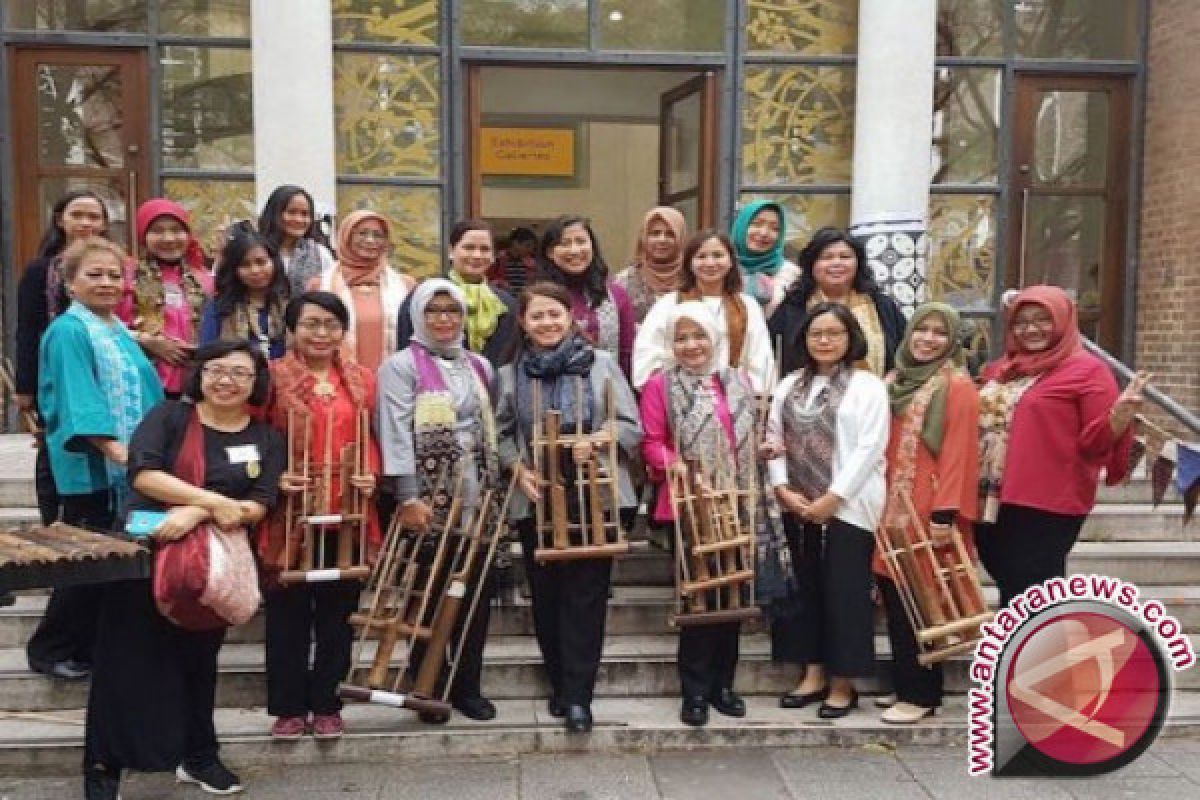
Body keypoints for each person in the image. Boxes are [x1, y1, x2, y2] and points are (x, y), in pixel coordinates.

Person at [82, 340, 285, 799]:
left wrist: (197, 514)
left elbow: (259, 504)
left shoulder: (266, 438)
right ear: (200, 374)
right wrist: (211, 502)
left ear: (256, 383)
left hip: (208, 568)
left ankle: (198, 756)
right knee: (124, 666)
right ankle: (103, 767)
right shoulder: (169, 418)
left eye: (239, 373)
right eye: (216, 370)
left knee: (198, 664)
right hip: (146, 543)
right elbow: (144, 476)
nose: (226, 381)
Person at [496, 281, 643, 734]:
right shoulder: (508, 375)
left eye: (554, 314)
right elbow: (499, 433)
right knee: (546, 597)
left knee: (585, 598)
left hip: (595, 494)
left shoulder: (600, 365)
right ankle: (560, 682)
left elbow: (630, 426)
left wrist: (598, 440)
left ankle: (580, 696)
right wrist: (518, 469)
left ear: (571, 317)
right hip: (540, 496)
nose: (547, 323)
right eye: (537, 316)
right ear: (523, 322)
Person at [28, 237, 164, 683]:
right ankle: (52, 647)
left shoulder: (117, 329)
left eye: (113, 275)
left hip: (130, 464)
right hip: (93, 466)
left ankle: (91, 645)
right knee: (88, 560)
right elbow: (76, 396)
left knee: (118, 559)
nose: (107, 283)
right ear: (69, 283)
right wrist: (115, 450)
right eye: (94, 274)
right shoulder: (70, 330)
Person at [376, 278, 500, 722]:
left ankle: (468, 685)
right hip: (428, 496)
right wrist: (408, 496)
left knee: (473, 593)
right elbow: (394, 431)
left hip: (478, 495)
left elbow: (493, 427)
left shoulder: (479, 365)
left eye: (452, 311)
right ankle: (427, 680)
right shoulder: (401, 366)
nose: (444, 320)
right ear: (417, 315)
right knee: (427, 590)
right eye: (434, 311)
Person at [975, 285, 1143, 608]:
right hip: (992, 496)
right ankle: (1018, 654)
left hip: (1047, 503)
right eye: (1022, 321)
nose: (1031, 328)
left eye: (1043, 319)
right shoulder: (1000, 369)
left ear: (1064, 320)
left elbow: (1095, 444)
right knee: (1012, 587)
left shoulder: (1088, 370)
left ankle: (1037, 656)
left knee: (1033, 592)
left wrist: (1119, 419)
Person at [260, 292, 381, 740]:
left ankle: (328, 702)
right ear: (292, 329)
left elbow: (369, 434)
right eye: (311, 323)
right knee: (287, 611)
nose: (321, 333)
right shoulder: (271, 378)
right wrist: (273, 479)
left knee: (338, 611)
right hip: (291, 509)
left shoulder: (361, 378)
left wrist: (370, 473)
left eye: (331, 324)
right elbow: (256, 434)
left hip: (345, 508)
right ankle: (288, 707)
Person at [765, 302, 888, 719]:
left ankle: (843, 683)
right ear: (804, 339)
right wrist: (781, 487)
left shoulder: (867, 386)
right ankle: (812, 674)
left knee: (846, 594)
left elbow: (871, 448)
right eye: (817, 333)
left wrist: (834, 497)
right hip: (798, 504)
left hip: (850, 506)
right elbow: (772, 436)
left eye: (834, 333)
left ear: (850, 337)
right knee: (805, 592)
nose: (825, 341)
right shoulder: (788, 385)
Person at [639, 302, 756, 727]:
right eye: (682, 338)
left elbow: (747, 433)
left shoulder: (737, 380)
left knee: (734, 592)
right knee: (700, 594)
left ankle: (724, 686)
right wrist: (683, 467)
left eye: (699, 335)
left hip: (738, 500)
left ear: (715, 337)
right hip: (692, 501)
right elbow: (651, 441)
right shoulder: (661, 385)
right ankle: (695, 692)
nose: (691, 345)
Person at [872, 302, 980, 724]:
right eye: (922, 329)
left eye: (939, 332)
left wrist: (945, 514)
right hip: (891, 506)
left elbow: (960, 455)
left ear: (951, 341)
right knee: (898, 599)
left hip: (928, 507)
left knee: (925, 600)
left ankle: (921, 694)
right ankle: (905, 684)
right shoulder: (896, 380)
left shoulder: (957, 386)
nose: (928, 339)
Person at [15, 189, 110, 536]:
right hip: (55, 371)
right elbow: (27, 328)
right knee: (54, 443)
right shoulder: (41, 270)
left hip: (103, 368)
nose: (86, 223)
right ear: (61, 220)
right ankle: (55, 517)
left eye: (94, 216)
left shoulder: (113, 266)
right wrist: (26, 386)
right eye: (78, 215)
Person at [633, 231, 775, 393]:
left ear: (730, 262)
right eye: (701, 256)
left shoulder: (747, 306)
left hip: (735, 399)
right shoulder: (669, 304)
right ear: (689, 263)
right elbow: (648, 353)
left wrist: (751, 393)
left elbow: (760, 357)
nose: (710, 262)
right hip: (681, 397)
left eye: (717, 255)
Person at [769, 227, 907, 378]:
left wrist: (890, 381)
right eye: (826, 257)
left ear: (858, 263)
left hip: (873, 396)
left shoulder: (881, 305)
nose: (836, 263)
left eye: (845, 256)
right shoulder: (793, 307)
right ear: (811, 264)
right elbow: (772, 355)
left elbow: (905, 352)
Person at [118, 198, 214, 397]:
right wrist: (147, 341)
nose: (169, 238)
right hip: (141, 380)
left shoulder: (204, 280)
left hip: (197, 383)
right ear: (144, 236)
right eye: (157, 231)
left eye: (177, 230)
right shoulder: (126, 275)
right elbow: (107, 325)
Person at [397, 219, 518, 367]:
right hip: (432, 385)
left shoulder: (506, 304)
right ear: (451, 251)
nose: (477, 255)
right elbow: (406, 346)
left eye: (485, 249)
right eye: (469, 247)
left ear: (493, 256)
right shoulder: (425, 296)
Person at [310, 210, 414, 372]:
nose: (370, 240)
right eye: (362, 233)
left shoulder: (405, 285)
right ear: (347, 237)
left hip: (394, 382)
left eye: (378, 235)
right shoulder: (320, 284)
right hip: (337, 382)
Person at [535, 216, 636, 377]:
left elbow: (627, 355)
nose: (574, 250)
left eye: (581, 241)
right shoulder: (536, 298)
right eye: (565, 243)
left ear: (592, 248)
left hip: (605, 391)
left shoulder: (617, 295)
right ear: (549, 252)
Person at [199, 222, 289, 360]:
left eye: (261, 262)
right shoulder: (219, 309)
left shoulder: (287, 307)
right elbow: (207, 353)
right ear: (234, 270)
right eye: (245, 265)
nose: (255, 270)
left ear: (274, 262)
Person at [258, 184, 336, 297]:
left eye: (305, 214)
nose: (299, 219)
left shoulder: (321, 254)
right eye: (291, 212)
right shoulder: (256, 250)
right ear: (275, 213)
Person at [613, 206, 688, 322]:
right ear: (644, 238)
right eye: (655, 233)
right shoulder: (623, 282)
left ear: (680, 238)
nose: (662, 240)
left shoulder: (693, 279)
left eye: (670, 234)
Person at [730, 200, 800, 318]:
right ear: (742, 226)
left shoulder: (791, 274)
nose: (764, 233)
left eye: (775, 228)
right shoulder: (723, 267)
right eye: (757, 224)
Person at [488, 226, 539, 292]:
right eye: (527, 246)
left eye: (532, 247)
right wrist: (499, 283)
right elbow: (489, 280)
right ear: (515, 243)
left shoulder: (531, 263)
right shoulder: (498, 260)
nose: (530, 250)